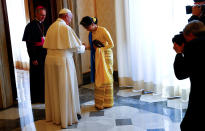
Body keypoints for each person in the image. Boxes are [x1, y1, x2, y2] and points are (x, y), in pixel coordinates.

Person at [43, 8, 85, 128]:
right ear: (66, 16)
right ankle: (67, 117)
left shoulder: (51, 27)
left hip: (50, 61)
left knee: (54, 88)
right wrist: (83, 47)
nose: (70, 21)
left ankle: (56, 116)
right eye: (70, 18)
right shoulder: (65, 28)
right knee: (65, 87)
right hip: (63, 61)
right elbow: (76, 47)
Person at [173, 20, 205, 131]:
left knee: (188, 126)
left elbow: (181, 74)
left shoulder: (193, 46)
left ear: (190, 34)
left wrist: (178, 53)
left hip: (200, 93)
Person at [80, 16, 114, 110]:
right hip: (98, 57)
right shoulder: (90, 34)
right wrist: (86, 47)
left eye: (87, 27)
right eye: (85, 28)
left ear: (92, 24)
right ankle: (100, 103)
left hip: (106, 57)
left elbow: (111, 44)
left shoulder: (103, 30)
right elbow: (93, 48)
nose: (87, 29)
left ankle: (107, 102)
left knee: (107, 77)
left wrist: (100, 50)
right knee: (99, 77)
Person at [22, 6, 47, 103]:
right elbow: (29, 44)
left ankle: (45, 96)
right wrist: (33, 58)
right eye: (41, 15)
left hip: (44, 54)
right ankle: (37, 98)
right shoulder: (30, 26)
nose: (43, 17)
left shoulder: (44, 24)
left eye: (44, 15)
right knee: (37, 77)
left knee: (44, 76)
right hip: (35, 55)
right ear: (36, 14)